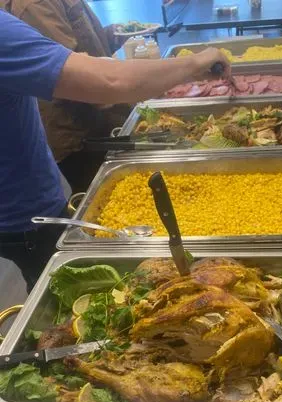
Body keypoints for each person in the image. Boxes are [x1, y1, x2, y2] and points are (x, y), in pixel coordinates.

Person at [0, 9, 231, 292]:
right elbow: (113, 82)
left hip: (17, 204)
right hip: (24, 213)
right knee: (59, 289)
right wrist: (196, 62)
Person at [2, 0, 133, 192]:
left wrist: (110, 36)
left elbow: (80, 45)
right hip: (79, 135)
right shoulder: (34, 5)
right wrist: (138, 87)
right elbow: (77, 78)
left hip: (97, 120)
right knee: (111, 198)